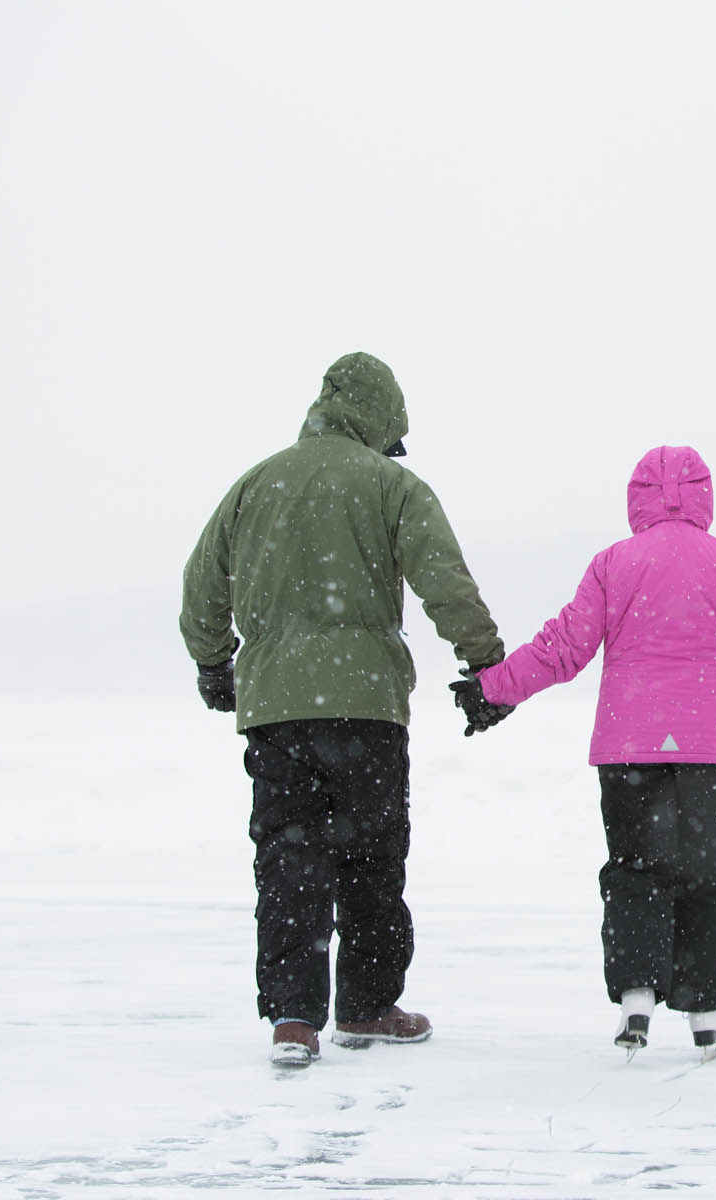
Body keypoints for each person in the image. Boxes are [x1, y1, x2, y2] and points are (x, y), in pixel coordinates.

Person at [453, 445, 716, 1053]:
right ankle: (707, 1010)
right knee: (707, 875)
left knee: (634, 870)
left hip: (630, 745)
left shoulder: (615, 564)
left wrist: (495, 691)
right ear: (704, 495)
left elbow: (563, 645)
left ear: (636, 497)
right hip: (711, 750)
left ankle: (636, 996)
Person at [180, 351, 509, 1068]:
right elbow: (442, 579)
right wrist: (485, 662)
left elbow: (201, 580)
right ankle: (365, 1005)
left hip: (275, 709)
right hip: (365, 705)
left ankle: (294, 1018)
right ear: (381, 418)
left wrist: (213, 661)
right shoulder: (391, 484)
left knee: (287, 858)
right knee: (372, 857)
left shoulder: (255, 483)